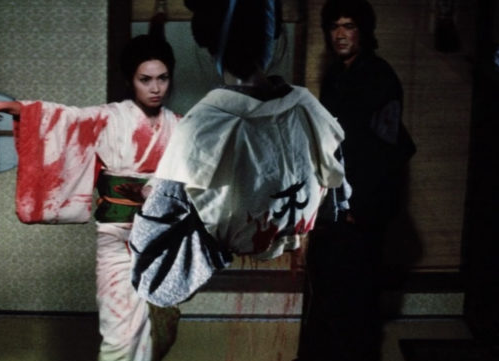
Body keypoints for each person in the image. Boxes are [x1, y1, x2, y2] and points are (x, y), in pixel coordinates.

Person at [0, 33, 181, 361]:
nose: (155, 88)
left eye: (162, 78)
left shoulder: (180, 127)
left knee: (163, 326)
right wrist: (5, 107)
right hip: (118, 238)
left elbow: (199, 178)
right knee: (121, 335)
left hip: (163, 242)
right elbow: (56, 119)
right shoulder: (109, 118)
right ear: (129, 81)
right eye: (145, 79)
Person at [130, 0, 346, 310]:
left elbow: (153, 279)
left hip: (231, 249)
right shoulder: (308, 108)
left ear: (210, 47)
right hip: (297, 239)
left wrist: (163, 198)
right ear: (273, 37)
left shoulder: (202, 125)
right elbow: (335, 195)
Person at [292, 0, 416, 361]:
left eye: (349, 26)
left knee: (359, 292)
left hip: (366, 201)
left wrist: (362, 205)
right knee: (327, 277)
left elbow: (386, 149)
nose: (341, 34)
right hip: (334, 196)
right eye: (335, 27)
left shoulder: (381, 78)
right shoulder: (334, 76)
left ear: (364, 31)